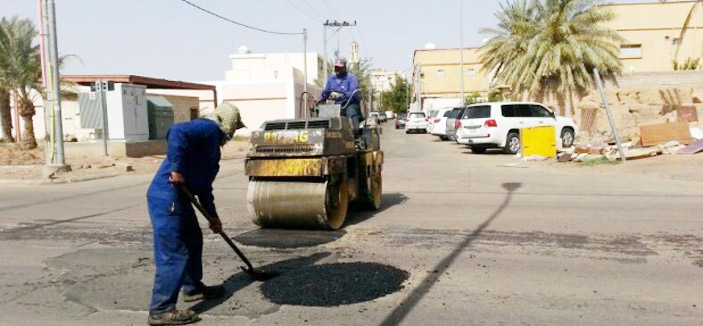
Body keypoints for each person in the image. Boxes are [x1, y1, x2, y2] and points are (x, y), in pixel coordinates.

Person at [145, 102, 245, 325]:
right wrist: (177, 169)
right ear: (227, 123)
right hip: (167, 195)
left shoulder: (211, 150)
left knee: (193, 239)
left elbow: (204, 188)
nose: (232, 135)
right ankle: (161, 309)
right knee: (175, 250)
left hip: (181, 197)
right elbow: (176, 131)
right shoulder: (208, 128)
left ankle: (192, 288)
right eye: (234, 128)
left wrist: (213, 217)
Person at [321, 58, 362, 133]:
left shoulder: (351, 78)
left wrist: (340, 95)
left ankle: (354, 134)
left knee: (351, 111)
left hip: (348, 104)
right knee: (323, 113)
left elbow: (354, 92)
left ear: (344, 68)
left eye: (340, 68)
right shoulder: (331, 79)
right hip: (335, 105)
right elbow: (325, 92)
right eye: (336, 67)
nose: (338, 69)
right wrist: (326, 94)